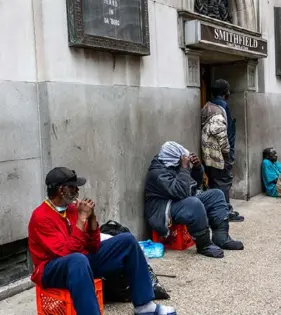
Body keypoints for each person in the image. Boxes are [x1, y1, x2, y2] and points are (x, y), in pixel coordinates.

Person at [28, 167, 176, 315]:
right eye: (73, 188)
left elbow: (93, 247)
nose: (77, 192)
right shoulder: (41, 217)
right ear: (61, 190)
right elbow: (66, 254)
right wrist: (81, 219)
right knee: (78, 260)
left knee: (127, 241)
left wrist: (92, 219)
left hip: (79, 262)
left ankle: (145, 306)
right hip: (51, 269)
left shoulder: (72, 210)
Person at [144, 142, 244, 259]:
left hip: (177, 201)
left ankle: (221, 237)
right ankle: (204, 245)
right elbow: (181, 192)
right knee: (193, 204)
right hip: (162, 211)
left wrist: (197, 168)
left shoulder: (171, 165)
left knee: (216, 194)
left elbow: (192, 185)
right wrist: (184, 168)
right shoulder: (157, 173)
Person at [201, 79, 244, 222]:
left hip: (211, 154)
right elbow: (220, 132)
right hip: (220, 154)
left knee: (216, 181)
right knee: (223, 182)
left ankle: (217, 210)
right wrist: (226, 152)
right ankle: (225, 211)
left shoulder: (208, 106)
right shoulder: (221, 106)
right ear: (226, 92)